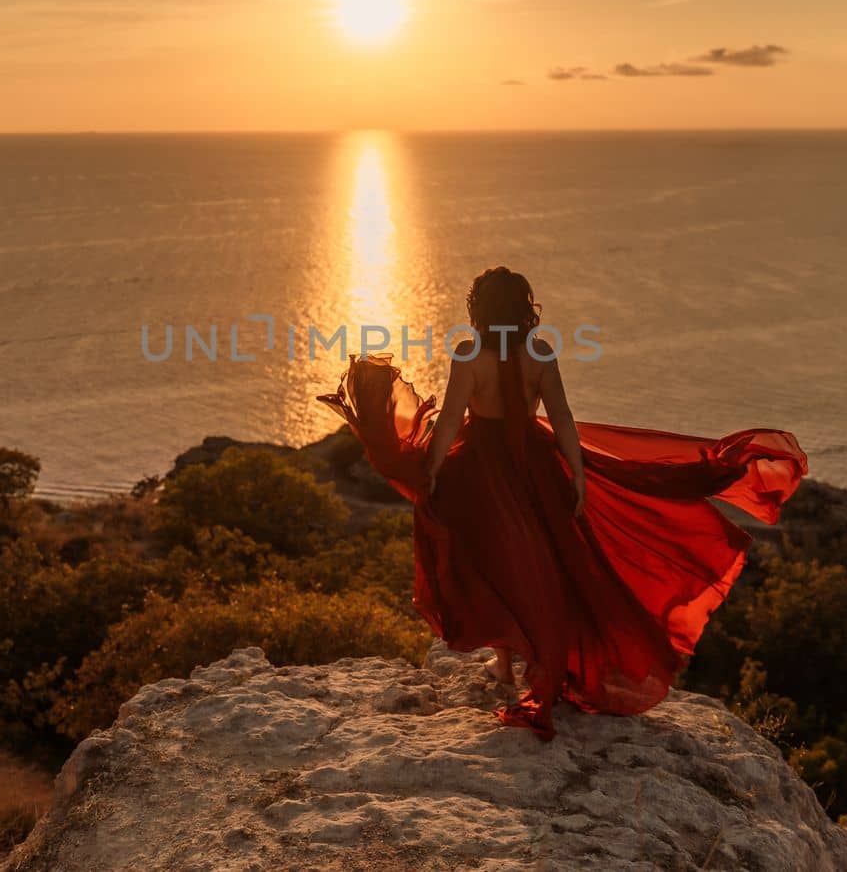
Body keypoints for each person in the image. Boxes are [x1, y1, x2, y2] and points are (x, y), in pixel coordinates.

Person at [318, 266, 806, 740]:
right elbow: (563, 418)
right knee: (545, 565)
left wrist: (434, 467)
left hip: (480, 471)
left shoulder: (469, 356)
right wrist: (577, 477)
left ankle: (506, 664)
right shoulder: (540, 353)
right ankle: (517, 663)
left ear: (480, 311)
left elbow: (447, 422)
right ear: (524, 310)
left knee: (493, 562)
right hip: (536, 466)